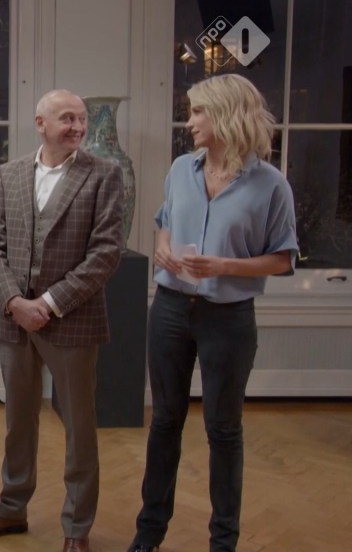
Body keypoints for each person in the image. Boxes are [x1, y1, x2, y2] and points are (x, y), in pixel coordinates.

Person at [126, 75, 297, 552]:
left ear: (226, 114)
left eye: (198, 111)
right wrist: (163, 248)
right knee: (164, 422)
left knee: (223, 430)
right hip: (170, 309)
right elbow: (164, 221)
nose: (190, 122)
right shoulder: (181, 168)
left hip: (229, 318)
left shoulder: (270, 184)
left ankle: (223, 542)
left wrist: (224, 266)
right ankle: (148, 534)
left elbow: (283, 258)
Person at [0, 89, 124, 552]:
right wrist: (15, 301)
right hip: (13, 321)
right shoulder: (9, 174)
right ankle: (12, 509)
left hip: (72, 322)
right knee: (18, 421)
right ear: (40, 123)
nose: (78, 126)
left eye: (81, 118)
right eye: (67, 118)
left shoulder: (104, 174)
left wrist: (48, 303)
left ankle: (76, 529)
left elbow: (105, 253)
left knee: (79, 427)